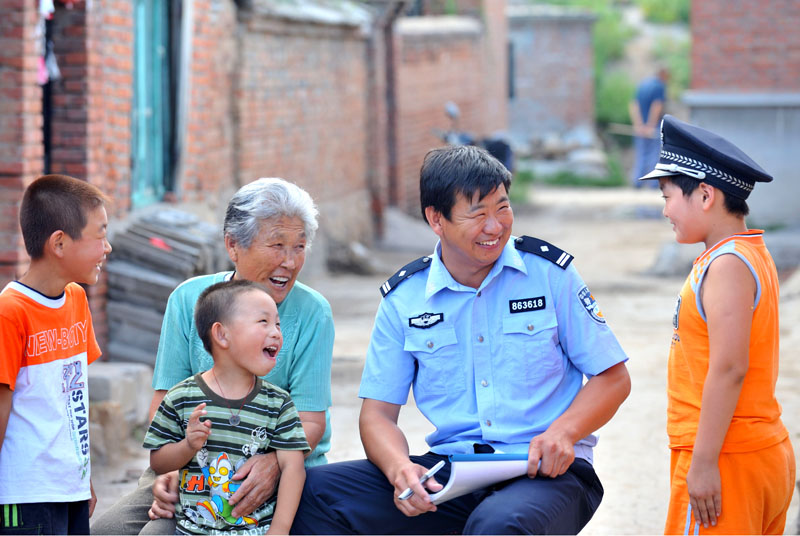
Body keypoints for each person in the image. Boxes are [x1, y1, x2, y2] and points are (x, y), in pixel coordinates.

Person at [292, 145, 631, 535]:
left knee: (497, 525)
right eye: (478, 214)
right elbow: (378, 415)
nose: (495, 226)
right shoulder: (405, 298)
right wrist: (400, 469)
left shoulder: (550, 275)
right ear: (436, 219)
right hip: (455, 473)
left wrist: (563, 432)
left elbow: (613, 378)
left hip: (546, 472)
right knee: (311, 492)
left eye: (503, 208)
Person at [92, 178, 334, 535]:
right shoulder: (189, 300)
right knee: (107, 532)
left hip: (282, 471)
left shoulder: (313, 312)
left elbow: (310, 421)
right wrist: (170, 468)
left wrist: (272, 465)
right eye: (277, 245)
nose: (290, 261)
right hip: (192, 467)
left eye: (299, 246)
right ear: (233, 245)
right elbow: (164, 405)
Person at [638, 115, 795, 534]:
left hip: (727, 458)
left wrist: (705, 462)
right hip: (754, 451)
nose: (665, 210)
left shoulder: (727, 265)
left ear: (705, 195)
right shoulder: (747, 253)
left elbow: (729, 367)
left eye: (668, 196)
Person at [144, 280, 309, 535]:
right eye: (263, 322)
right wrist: (188, 446)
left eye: (277, 324)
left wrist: (279, 529)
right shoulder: (182, 397)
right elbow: (158, 462)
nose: (276, 332)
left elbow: (293, 468)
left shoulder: (278, 403)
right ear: (221, 334)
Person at [0, 175, 112, 534]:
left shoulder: (76, 299)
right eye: (100, 235)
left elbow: (71, 400)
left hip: (69, 487)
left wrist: (82, 475)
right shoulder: (10, 312)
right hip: (24, 495)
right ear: (59, 243)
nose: (107, 247)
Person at [629, 66, 669, 188]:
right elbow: (657, 106)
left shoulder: (642, 85)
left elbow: (634, 105)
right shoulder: (659, 86)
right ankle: (653, 184)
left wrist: (639, 125)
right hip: (653, 127)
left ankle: (637, 182)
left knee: (641, 154)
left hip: (640, 128)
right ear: (663, 75)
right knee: (654, 154)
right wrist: (650, 125)